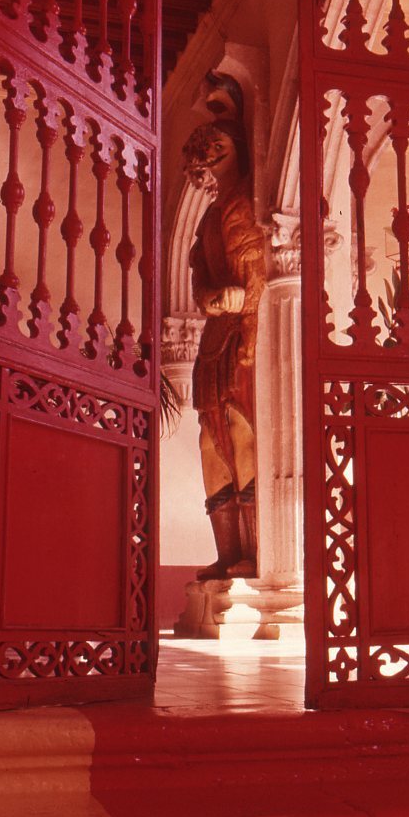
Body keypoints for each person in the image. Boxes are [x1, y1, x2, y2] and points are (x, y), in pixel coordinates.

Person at [182, 73, 265, 581]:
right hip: (215, 336)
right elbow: (198, 268)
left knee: (243, 435)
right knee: (210, 443)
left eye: (219, 153)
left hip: (245, 335)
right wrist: (207, 295)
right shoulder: (211, 215)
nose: (212, 165)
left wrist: (242, 301)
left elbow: (261, 272)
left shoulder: (248, 202)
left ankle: (256, 551)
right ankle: (228, 552)